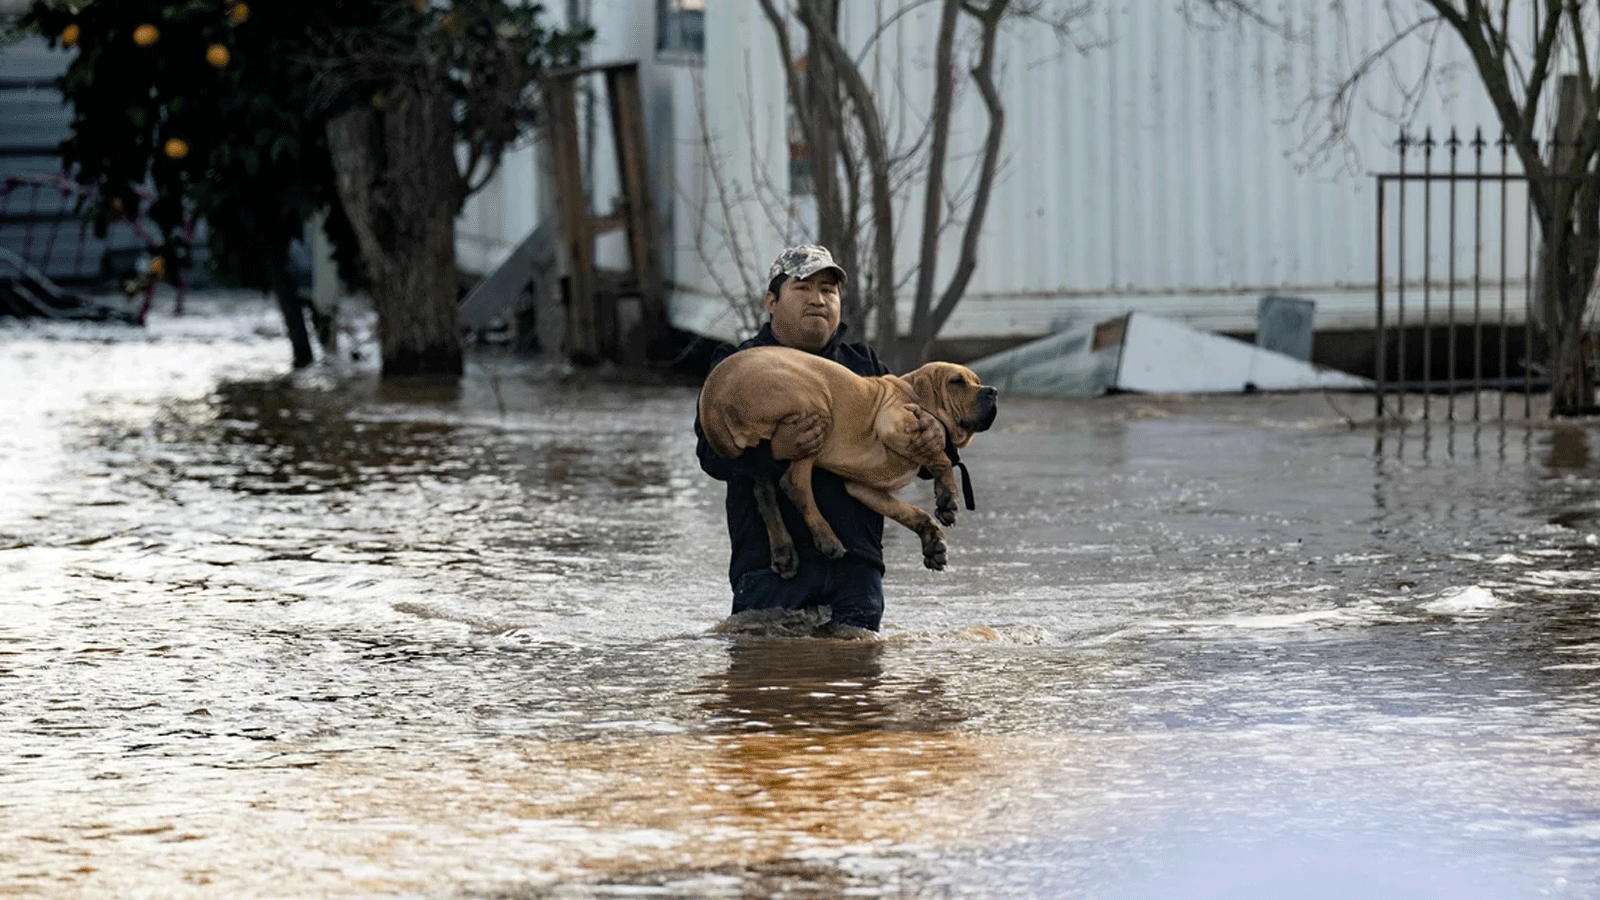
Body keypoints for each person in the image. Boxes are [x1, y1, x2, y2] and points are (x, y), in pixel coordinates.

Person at [694, 244, 945, 636]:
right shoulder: (738, 363)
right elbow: (711, 454)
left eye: (828, 290)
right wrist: (775, 451)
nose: (818, 299)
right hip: (770, 568)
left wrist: (933, 439)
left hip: (855, 569)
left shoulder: (866, 367)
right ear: (771, 302)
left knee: (854, 691)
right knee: (768, 690)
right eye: (802, 288)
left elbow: (904, 457)